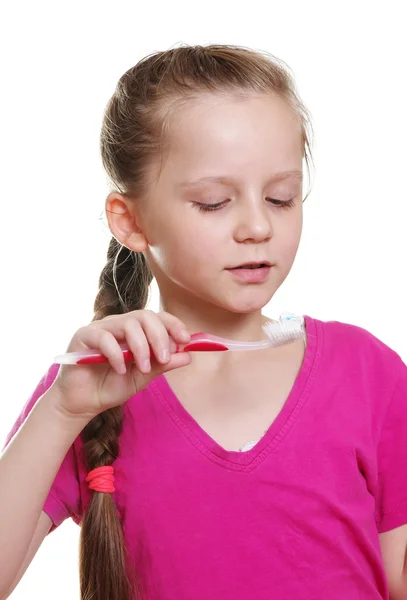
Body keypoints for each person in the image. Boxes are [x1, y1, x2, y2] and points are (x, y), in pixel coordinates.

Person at [1, 44, 406, 600]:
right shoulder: (89, 389)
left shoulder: (367, 371)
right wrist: (61, 411)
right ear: (131, 221)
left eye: (281, 198)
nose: (258, 226)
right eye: (215, 203)